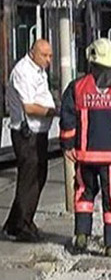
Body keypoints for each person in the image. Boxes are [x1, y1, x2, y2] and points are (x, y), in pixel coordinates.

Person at [60, 38, 111, 257]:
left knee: (83, 193)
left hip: (85, 156)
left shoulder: (78, 87)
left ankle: (81, 235)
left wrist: (68, 144)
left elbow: (67, 117)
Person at [3, 39, 57, 242]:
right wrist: (53, 111)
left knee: (39, 176)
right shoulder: (23, 71)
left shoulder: (39, 69)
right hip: (27, 134)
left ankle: (16, 222)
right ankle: (22, 225)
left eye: (50, 56)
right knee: (29, 179)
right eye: (45, 55)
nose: (49, 60)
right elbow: (29, 107)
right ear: (33, 52)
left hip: (40, 131)